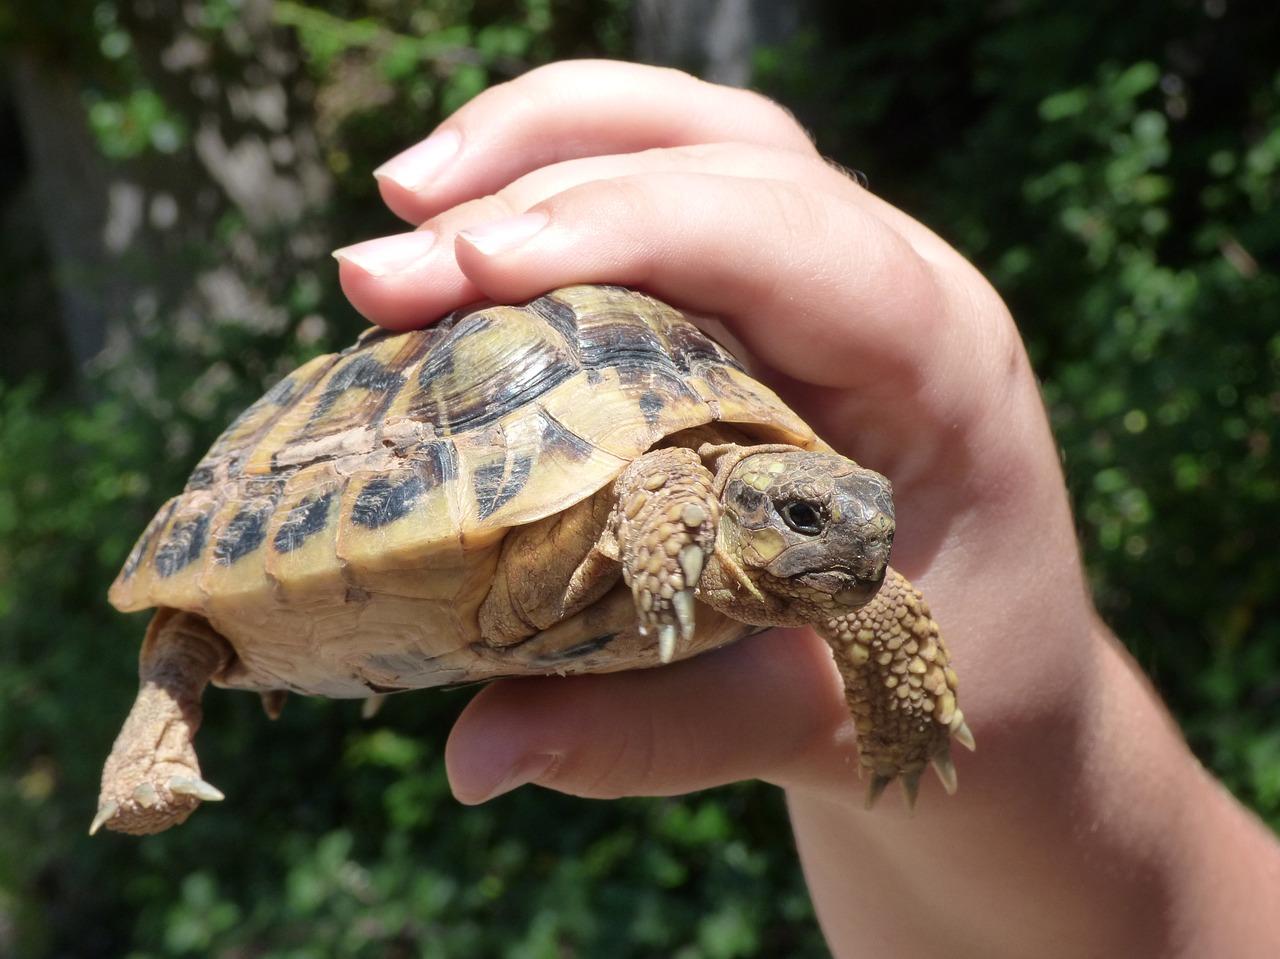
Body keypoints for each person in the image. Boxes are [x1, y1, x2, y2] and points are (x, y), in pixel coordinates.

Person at [332, 61, 1280, 957]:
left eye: (868, 520)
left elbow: (873, 589)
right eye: (807, 517)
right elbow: (662, 475)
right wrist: (664, 547)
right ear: (742, 495)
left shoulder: (839, 575)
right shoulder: (679, 488)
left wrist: (1020, 742)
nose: (867, 542)